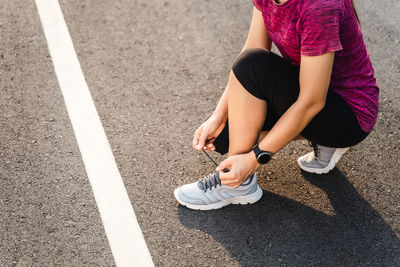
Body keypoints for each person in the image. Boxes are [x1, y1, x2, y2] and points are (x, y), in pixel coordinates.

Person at [174, 0, 379, 210]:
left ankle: (237, 184)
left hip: (348, 116)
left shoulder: (319, 7)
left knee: (252, 73)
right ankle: (322, 142)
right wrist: (219, 115)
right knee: (224, 136)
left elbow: (311, 101)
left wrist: (253, 160)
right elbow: (252, 50)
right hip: (313, 90)